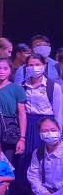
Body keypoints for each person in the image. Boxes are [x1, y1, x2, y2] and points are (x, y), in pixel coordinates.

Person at [18, 54, 63, 187]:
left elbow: (59, 113)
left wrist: (59, 135)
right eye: (30, 65)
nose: (34, 68)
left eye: (37, 64)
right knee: (24, 159)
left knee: (43, 159)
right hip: (27, 124)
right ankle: (24, 191)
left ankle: (43, 190)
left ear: (44, 66)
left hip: (46, 125)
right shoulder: (22, 86)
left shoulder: (53, 86)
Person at [17, 117, 63, 195]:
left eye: (53, 130)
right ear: (40, 134)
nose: (49, 133)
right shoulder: (38, 152)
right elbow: (33, 175)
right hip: (43, 194)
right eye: (45, 131)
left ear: (59, 130)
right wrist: (42, 193)